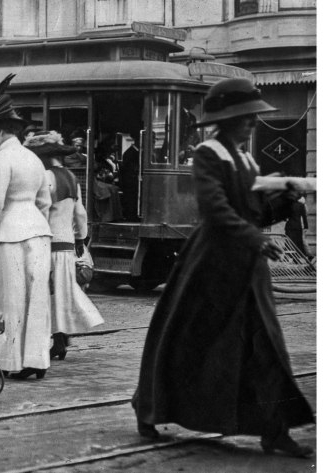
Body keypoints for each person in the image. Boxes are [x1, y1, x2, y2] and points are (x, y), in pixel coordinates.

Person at [132, 78, 314, 457]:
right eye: (246, 118)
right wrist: (256, 238)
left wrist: (285, 201)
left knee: (265, 343)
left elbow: (251, 211)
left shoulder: (245, 158)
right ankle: (148, 410)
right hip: (211, 264)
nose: (252, 124)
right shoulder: (208, 154)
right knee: (185, 340)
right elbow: (215, 210)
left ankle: (274, 429)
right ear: (227, 121)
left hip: (247, 266)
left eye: (252, 118)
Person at [0, 74, 53, 380]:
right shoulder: (34, 159)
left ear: (1, 131)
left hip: (9, 235)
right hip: (39, 231)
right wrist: (35, 220)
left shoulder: (1, 160)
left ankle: (11, 360)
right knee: (37, 296)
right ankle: (37, 359)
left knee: (11, 298)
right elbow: (45, 200)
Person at [25, 132, 104, 361]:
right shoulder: (71, 177)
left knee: (46, 292)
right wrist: (81, 239)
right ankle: (60, 337)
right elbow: (80, 213)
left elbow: (40, 211)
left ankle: (56, 339)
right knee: (61, 292)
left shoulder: (45, 177)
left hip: (48, 243)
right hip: (67, 243)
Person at [119, 135, 141, 222]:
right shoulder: (130, 153)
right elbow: (131, 169)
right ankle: (131, 218)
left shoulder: (135, 152)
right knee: (131, 201)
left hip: (133, 181)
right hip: (130, 182)